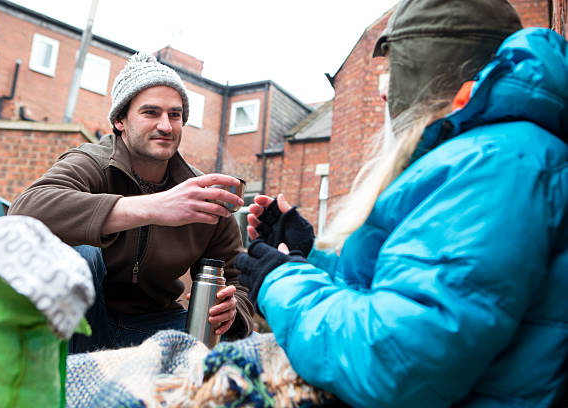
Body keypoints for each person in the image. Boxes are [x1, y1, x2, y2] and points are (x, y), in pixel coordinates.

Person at [235, 0, 568, 407]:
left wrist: (280, 280)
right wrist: (310, 258)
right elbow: (411, 290)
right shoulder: (496, 152)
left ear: (430, 71)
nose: (382, 91)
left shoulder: (495, 164)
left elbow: (394, 362)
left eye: (394, 69)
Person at [9, 53, 254, 352]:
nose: (166, 125)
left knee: (238, 353)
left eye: (175, 115)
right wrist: (154, 207)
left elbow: (237, 278)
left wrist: (233, 311)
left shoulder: (201, 192)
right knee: (82, 252)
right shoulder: (92, 163)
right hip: (83, 321)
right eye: (151, 113)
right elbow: (26, 209)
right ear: (119, 120)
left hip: (157, 325)